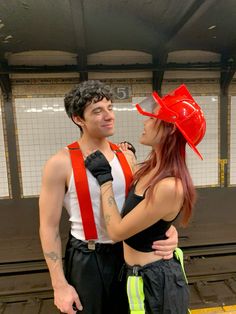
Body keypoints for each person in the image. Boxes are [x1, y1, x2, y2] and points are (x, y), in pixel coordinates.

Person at [39, 80, 179, 314]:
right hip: (87, 258)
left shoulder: (126, 157)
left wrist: (169, 231)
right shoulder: (60, 163)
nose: (109, 116)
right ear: (78, 119)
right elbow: (48, 227)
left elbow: (148, 207)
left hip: (128, 255)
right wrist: (59, 285)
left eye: (110, 108)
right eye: (97, 111)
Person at [85, 84, 206, 314]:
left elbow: (117, 232)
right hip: (136, 275)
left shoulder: (170, 186)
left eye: (153, 118)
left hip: (157, 282)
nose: (145, 122)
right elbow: (143, 202)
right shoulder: (148, 168)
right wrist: (128, 154)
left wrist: (105, 180)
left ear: (170, 130)